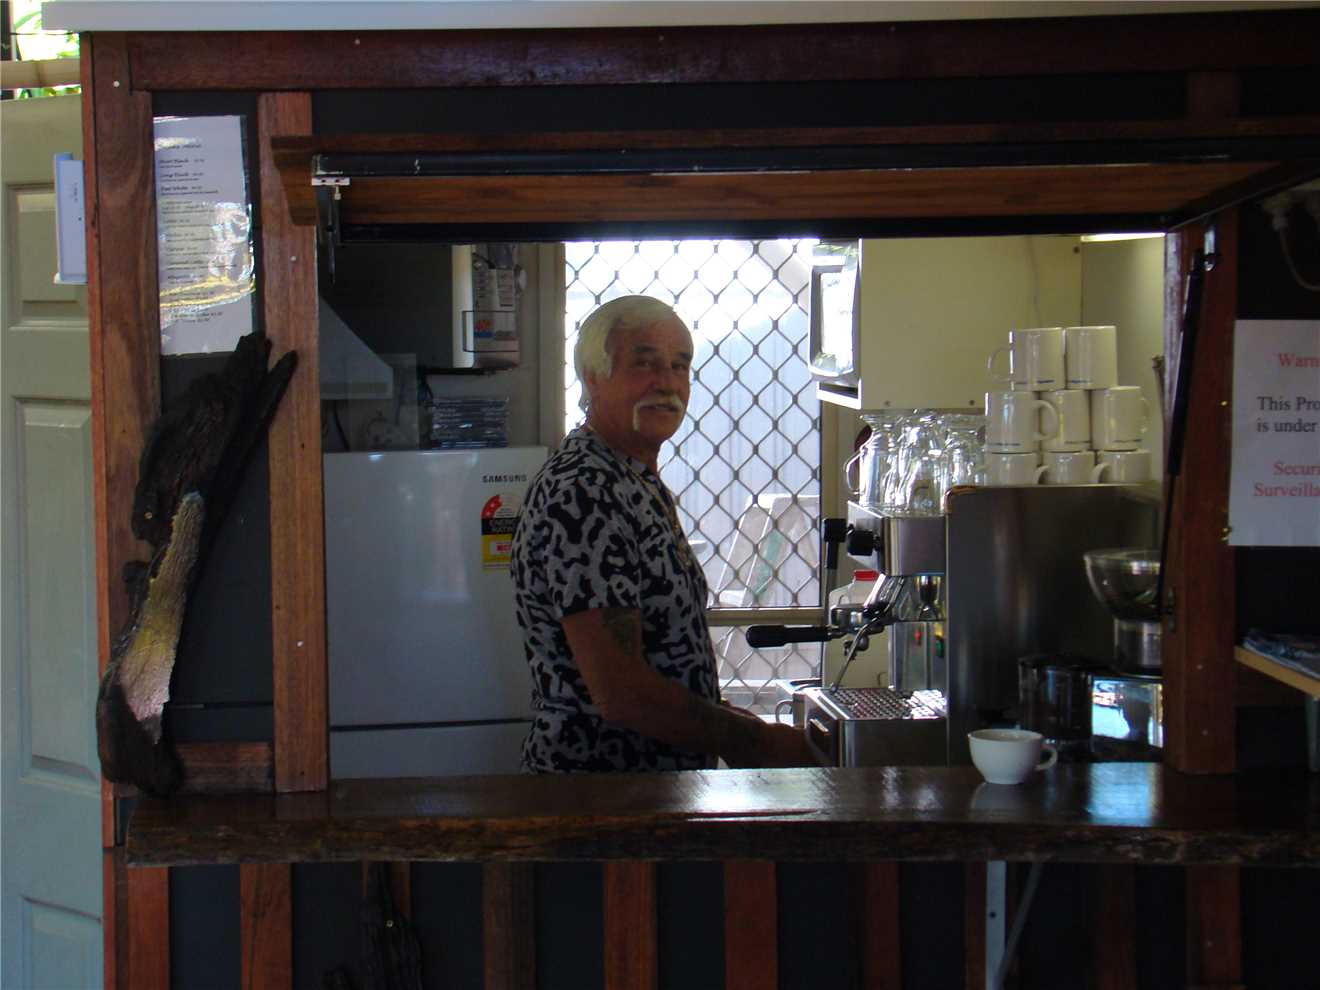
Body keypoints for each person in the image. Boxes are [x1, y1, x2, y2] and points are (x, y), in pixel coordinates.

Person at [510, 295, 818, 773]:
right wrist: (757, 742)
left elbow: (662, 665)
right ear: (593, 376)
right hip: (601, 792)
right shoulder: (586, 491)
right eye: (644, 363)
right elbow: (622, 693)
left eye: (680, 366)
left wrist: (737, 722)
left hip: (650, 789)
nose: (668, 383)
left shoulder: (630, 478)